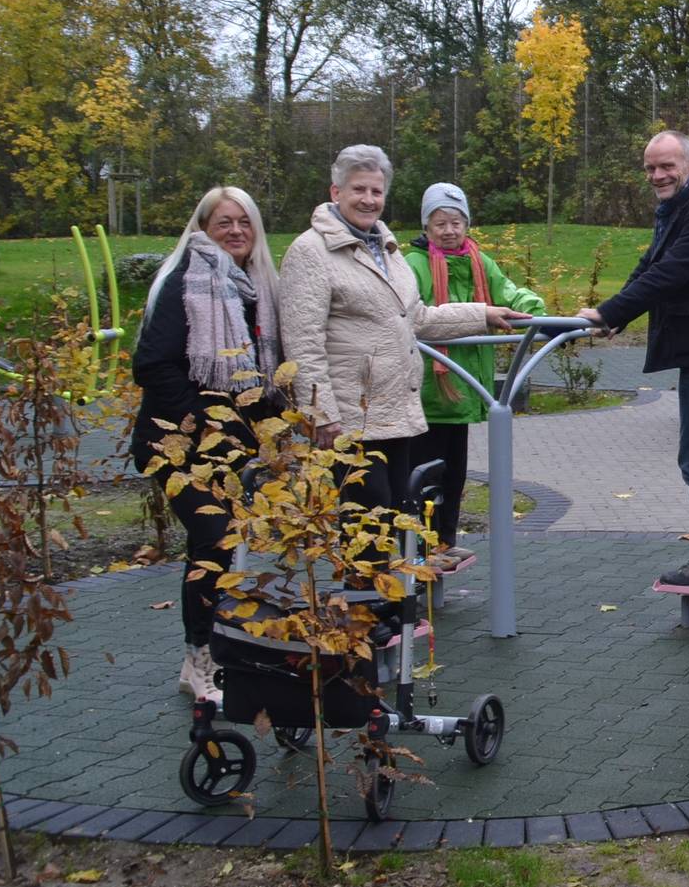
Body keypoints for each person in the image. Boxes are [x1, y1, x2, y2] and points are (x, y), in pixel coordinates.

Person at [279, 146, 525, 515]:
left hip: (395, 414)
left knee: (394, 521)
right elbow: (302, 342)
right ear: (336, 192)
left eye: (376, 192)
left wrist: (483, 313)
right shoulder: (312, 251)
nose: (368, 200)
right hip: (351, 419)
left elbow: (417, 318)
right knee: (366, 528)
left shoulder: (386, 248)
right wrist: (322, 414)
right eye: (358, 190)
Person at [578, 131, 689, 591]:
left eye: (667, 166)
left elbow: (670, 274)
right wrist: (614, 316)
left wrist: (608, 312)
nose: (658, 175)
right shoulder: (680, 207)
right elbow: (651, 263)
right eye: (651, 168)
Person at [131, 186, 285, 702]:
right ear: (203, 227)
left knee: (229, 545)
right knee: (214, 539)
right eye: (224, 222)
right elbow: (151, 365)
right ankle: (201, 659)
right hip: (177, 446)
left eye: (244, 222)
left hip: (232, 447)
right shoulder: (184, 283)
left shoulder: (256, 287)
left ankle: (219, 653)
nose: (236, 231)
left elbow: (263, 375)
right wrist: (203, 423)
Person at [401, 182, 546, 570]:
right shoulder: (414, 265)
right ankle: (418, 546)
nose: (449, 231)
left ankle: (443, 541)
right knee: (424, 473)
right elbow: (415, 314)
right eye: (440, 223)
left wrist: (535, 309)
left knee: (455, 473)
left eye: (456, 222)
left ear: (467, 225)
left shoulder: (479, 261)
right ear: (426, 228)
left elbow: (508, 291)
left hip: (465, 386)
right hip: (431, 389)